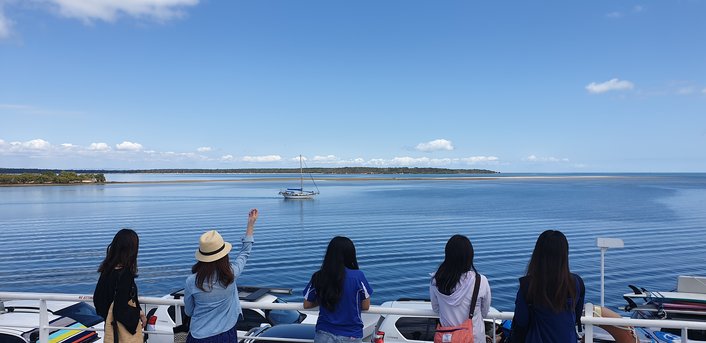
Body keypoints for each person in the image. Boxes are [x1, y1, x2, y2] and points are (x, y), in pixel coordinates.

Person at [184, 208, 258, 343]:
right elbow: (244, 253)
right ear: (224, 255)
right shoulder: (231, 274)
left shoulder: (191, 282)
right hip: (226, 334)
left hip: (200, 336)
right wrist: (250, 224)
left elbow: (189, 312)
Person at [510, 230, 585, 343]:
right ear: (564, 254)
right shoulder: (576, 283)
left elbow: (521, 321)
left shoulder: (528, 285)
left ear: (538, 254)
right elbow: (576, 315)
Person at [303, 236, 373, 343]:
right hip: (351, 334)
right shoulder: (358, 277)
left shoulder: (319, 276)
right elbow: (365, 306)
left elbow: (307, 304)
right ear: (351, 254)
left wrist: (324, 298)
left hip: (324, 333)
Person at [430, 234, 491, 343]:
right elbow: (485, 312)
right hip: (474, 338)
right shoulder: (480, 281)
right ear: (470, 256)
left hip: (447, 339)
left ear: (447, 255)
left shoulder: (436, 280)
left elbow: (435, 309)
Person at [93, 229, 146, 343]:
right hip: (123, 332)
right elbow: (121, 308)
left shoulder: (107, 271)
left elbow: (98, 300)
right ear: (131, 250)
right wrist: (137, 313)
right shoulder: (125, 274)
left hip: (111, 329)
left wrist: (109, 317)